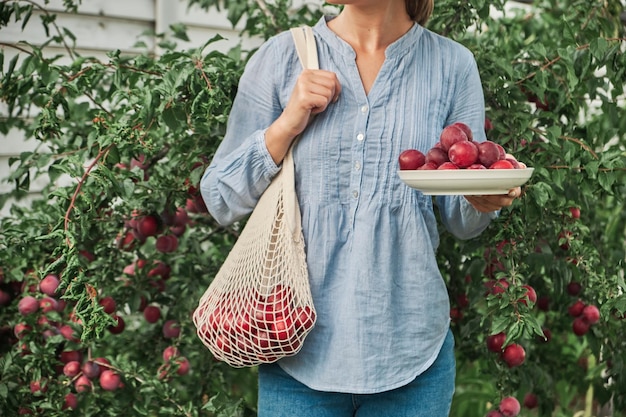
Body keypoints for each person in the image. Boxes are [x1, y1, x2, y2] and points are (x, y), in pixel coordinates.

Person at [200, 1, 520, 416]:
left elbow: (463, 220)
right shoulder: (283, 56)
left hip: (412, 356)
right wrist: (286, 124)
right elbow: (220, 198)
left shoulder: (452, 65)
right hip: (296, 350)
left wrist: (482, 198)